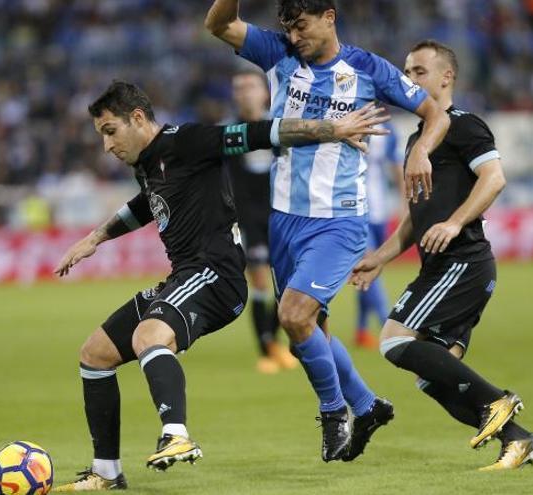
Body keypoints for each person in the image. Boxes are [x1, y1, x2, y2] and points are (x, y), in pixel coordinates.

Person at [52, 80, 390, 491]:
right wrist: (94, 239)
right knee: (95, 354)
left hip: (216, 275)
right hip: (184, 277)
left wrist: (331, 129)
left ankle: (176, 435)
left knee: (149, 335)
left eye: (110, 132)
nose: (107, 146)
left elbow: (262, 133)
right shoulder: (148, 163)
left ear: (137, 118)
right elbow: (146, 204)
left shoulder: (189, 140)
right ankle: (106, 471)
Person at [206, 0, 450, 461]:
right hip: (283, 221)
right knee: (311, 330)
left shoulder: (369, 69)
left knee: (294, 316)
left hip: (338, 221)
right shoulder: (276, 52)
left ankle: (334, 410)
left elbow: (435, 113)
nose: (295, 38)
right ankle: (367, 404)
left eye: (301, 27)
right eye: (289, 29)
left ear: (330, 17)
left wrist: (420, 152)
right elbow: (218, 23)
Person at [350, 40, 533, 471]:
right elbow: (414, 219)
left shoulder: (464, 125)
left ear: (446, 77)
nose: (409, 80)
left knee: (395, 340)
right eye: (406, 73)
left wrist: (455, 223)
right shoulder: (417, 141)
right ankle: (517, 440)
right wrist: (380, 258)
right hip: (442, 265)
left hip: (463, 262)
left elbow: (494, 179)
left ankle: (498, 401)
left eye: (419, 71)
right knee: (434, 376)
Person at [226, 69, 298, 374]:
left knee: (287, 283)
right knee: (258, 282)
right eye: (238, 87)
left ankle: (276, 343)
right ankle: (267, 351)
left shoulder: (278, 127)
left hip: (280, 214)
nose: (244, 92)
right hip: (247, 220)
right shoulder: (227, 133)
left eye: (250, 86)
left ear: (264, 91)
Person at [355, 121, 405, 350]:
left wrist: (405, 202)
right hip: (354, 211)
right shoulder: (346, 120)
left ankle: (362, 329)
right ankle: (386, 321)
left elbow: (396, 167)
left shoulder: (387, 130)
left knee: (367, 268)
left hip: (379, 211)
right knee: (371, 264)